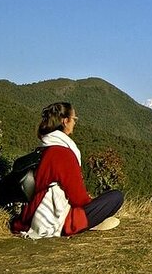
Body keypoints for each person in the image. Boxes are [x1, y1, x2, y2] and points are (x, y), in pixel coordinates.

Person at [10, 102, 124, 238]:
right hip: (58, 220)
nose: (75, 123)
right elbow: (79, 200)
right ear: (65, 121)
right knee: (116, 197)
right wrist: (94, 205)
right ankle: (92, 223)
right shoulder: (63, 153)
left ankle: (95, 221)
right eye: (74, 119)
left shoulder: (45, 148)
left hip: (32, 212)